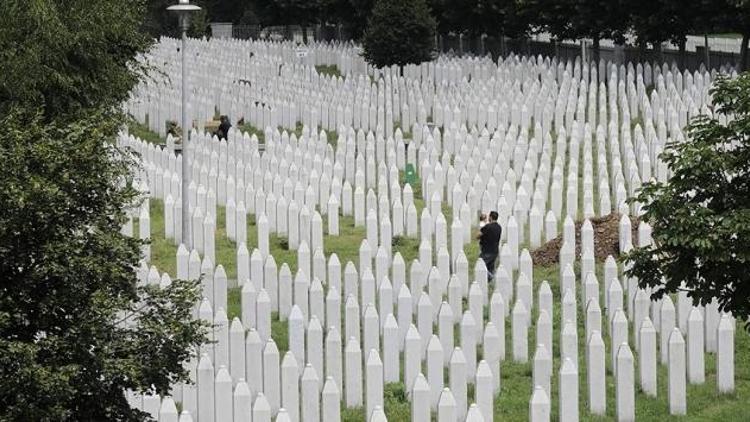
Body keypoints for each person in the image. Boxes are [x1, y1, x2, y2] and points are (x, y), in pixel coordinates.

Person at [476, 211, 502, 281]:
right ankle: (489, 282)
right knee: (490, 268)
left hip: (487, 251)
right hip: (495, 251)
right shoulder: (499, 227)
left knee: (480, 265)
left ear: (490, 217)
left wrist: (482, 224)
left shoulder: (488, 227)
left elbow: (477, 236)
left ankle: (494, 278)